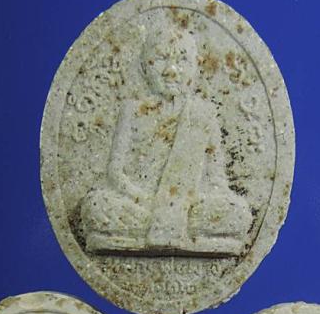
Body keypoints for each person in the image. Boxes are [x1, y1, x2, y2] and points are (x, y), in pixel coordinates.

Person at [83, 23, 251, 255]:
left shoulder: (204, 114)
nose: (171, 70)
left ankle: (172, 230)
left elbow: (216, 179)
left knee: (238, 212)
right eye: (161, 59)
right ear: (144, 66)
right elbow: (115, 173)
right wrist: (146, 200)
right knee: (96, 205)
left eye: (182, 60)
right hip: (140, 205)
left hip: (187, 209)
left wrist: (185, 202)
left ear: (196, 67)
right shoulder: (132, 110)